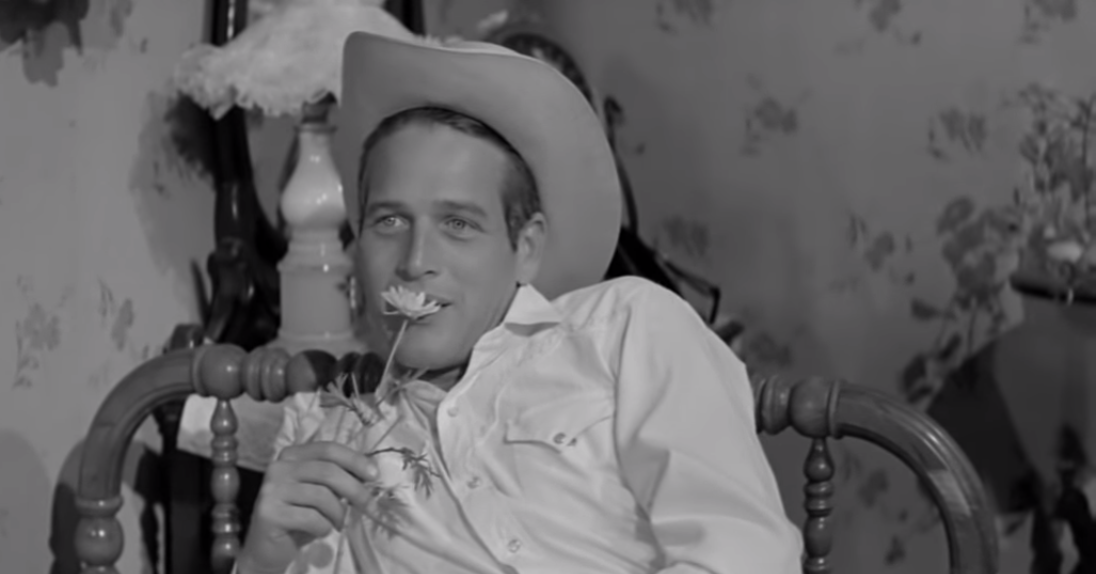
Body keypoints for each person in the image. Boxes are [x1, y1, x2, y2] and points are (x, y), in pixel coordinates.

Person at [234, 31, 801, 574]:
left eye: (458, 223)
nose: (415, 260)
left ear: (526, 249)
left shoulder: (628, 330)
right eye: (390, 221)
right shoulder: (326, 432)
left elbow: (744, 556)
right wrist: (261, 562)